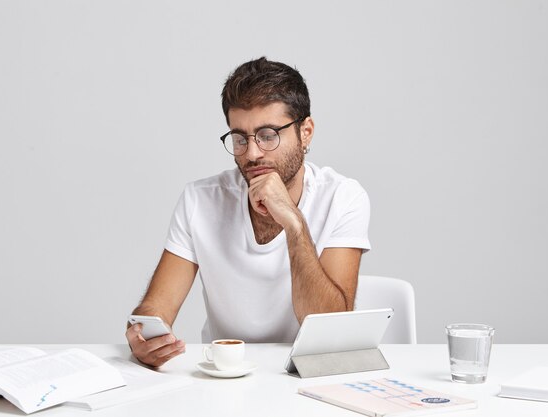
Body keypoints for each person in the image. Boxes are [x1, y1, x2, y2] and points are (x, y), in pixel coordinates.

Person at [126, 57, 371, 367]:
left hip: (309, 375)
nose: (252, 154)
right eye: (240, 138)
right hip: (226, 375)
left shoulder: (343, 197)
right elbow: (156, 307)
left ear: (305, 131)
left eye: (268, 135)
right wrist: (144, 336)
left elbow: (330, 331)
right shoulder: (200, 200)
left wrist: (294, 223)